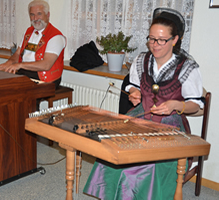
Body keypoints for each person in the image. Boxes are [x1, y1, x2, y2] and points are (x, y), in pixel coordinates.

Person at [83, 8, 204, 200]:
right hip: (140, 116)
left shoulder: (187, 67)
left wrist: (175, 104)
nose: (154, 45)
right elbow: (133, 86)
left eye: (161, 40)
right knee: (113, 150)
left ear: (175, 40)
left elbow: (195, 106)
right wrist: (135, 93)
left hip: (170, 125)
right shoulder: (141, 60)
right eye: (151, 38)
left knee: (147, 165)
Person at [0, 0, 66, 88]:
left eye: (39, 14)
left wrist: (19, 65)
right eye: (32, 14)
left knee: (19, 92)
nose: (35, 18)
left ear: (48, 15)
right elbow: (17, 53)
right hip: (25, 72)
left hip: (45, 78)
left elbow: (46, 65)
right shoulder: (28, 32)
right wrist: (9, 63)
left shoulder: (56, 36)